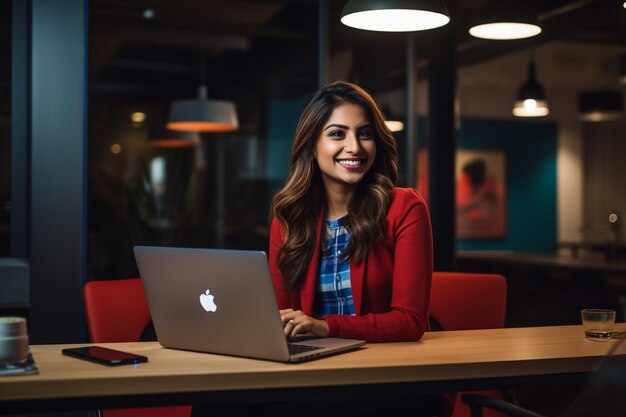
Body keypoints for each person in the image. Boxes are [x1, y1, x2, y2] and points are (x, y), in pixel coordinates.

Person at [268, 81, 449, 416]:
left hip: (390, 379)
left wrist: (326, 326)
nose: (354, 146)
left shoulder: (405, 207)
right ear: (312, 145)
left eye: (364, 133)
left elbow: (410, 322)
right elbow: (283, 322)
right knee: (218, 401)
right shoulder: (288, 219)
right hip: (313, 375)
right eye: (337, 134)